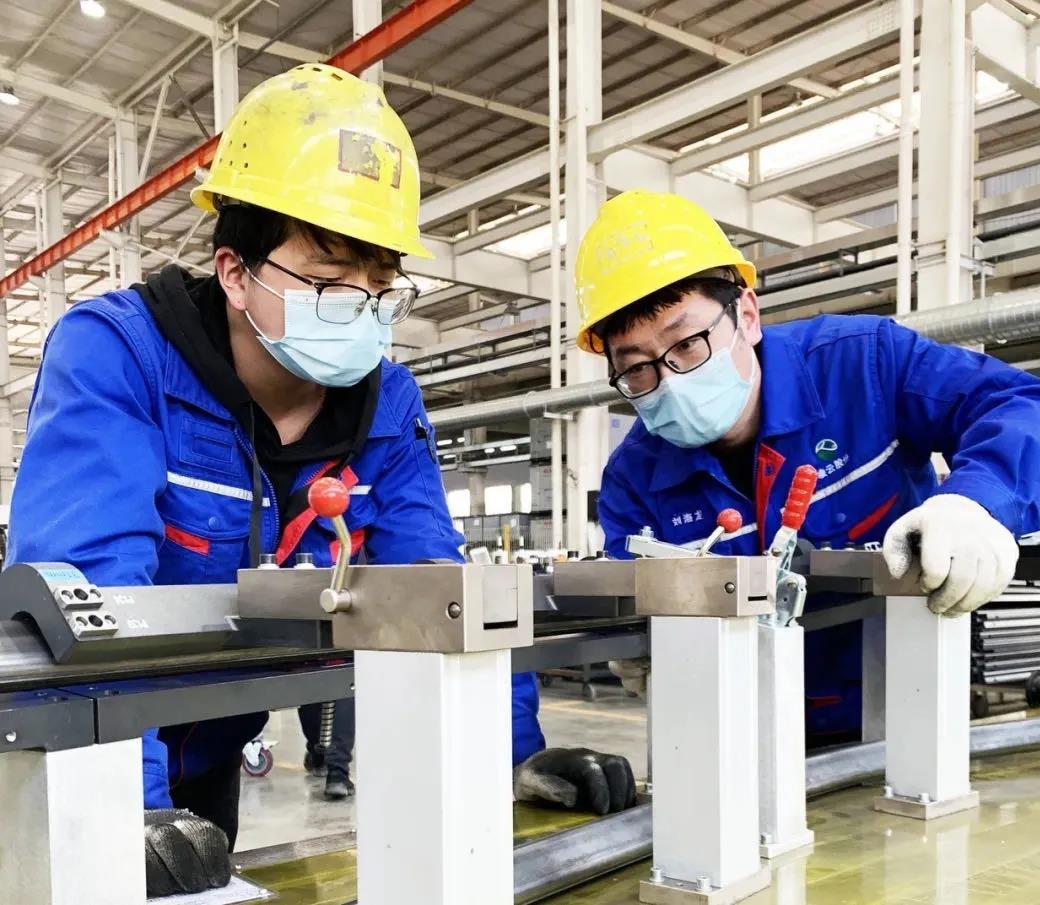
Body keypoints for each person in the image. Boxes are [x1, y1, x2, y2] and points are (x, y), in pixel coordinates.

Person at [8, 65, 633, 896]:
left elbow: (440, 596)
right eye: (330, 280)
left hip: (207, 764)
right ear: (236, 272)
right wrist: (124, 804)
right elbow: (87, 597)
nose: (362, 308)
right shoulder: (121, 355)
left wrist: (513, 752)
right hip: (79, 766)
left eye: (380, 285)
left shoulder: (388, 406)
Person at [578, 189, 1040, 742]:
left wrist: (976, 503)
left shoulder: (864, 365)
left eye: (687, 344)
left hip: (906, 710)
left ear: (746, 316)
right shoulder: (633, 479)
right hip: (735, 733)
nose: (669, 380)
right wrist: (644, 644)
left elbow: (1016, 405)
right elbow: (638, 605)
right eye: (637, 369)